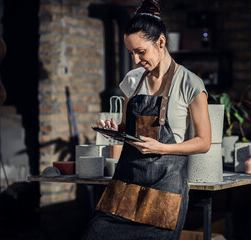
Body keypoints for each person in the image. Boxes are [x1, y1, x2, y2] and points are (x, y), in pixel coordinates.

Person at [83, 0, 211, 239]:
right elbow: (126, 127)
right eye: (131, 53)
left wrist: (162, 148)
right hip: (126, 188)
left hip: (165, 193)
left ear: (161, 42)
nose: (135, 59)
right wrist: (114, 130)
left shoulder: (190, 83)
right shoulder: (132, 80)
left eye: (140, 51)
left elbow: (203, 142)